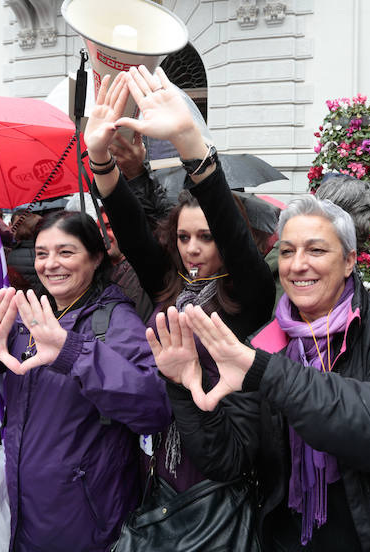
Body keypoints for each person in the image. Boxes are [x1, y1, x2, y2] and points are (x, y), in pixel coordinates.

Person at [148, 195, 370, 551]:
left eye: (316, 251)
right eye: (288, 251)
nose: (297, 265)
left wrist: (269, 374)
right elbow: (228, 460)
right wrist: (185, 386)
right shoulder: (263, 343)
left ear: (349, 261)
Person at [0, 211, 171, 551]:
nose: (51, 264)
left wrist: (72, 352)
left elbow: (153, 406)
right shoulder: (27, 315)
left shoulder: (115, 320)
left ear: (96, 257)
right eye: (42, 253)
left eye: (66, 252)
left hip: (86, 518)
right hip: (23, 511)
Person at [85, 67, 275, 492]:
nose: (192, 248)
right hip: (154, 451)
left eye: (206, 237)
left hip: (215, 462)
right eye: (184, 237)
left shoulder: (248, 292)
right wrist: (100, 159)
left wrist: (190, 144)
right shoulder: (170, 284)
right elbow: (132, 231)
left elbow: (228, 223)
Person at [98, 207, 154, 322]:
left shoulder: (144, 269)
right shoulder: (97, 274)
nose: (102, 234)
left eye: (108, 227)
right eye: (97, 229)